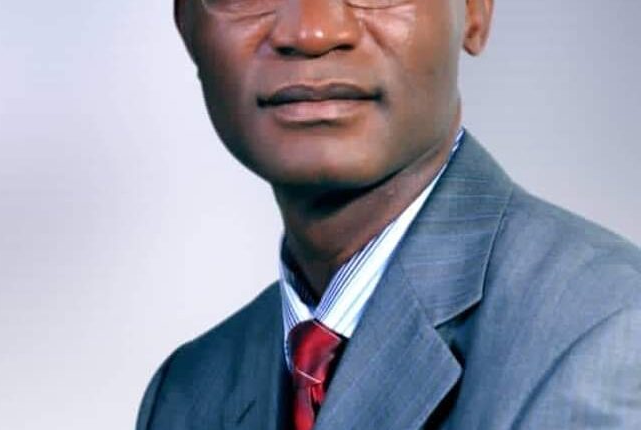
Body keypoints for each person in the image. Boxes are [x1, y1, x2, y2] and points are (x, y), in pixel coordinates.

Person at [138, 0, 641, 428]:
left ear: (474, 11)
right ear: (186, 25)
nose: (312, 32)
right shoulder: (186, 394)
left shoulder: (608, 336)